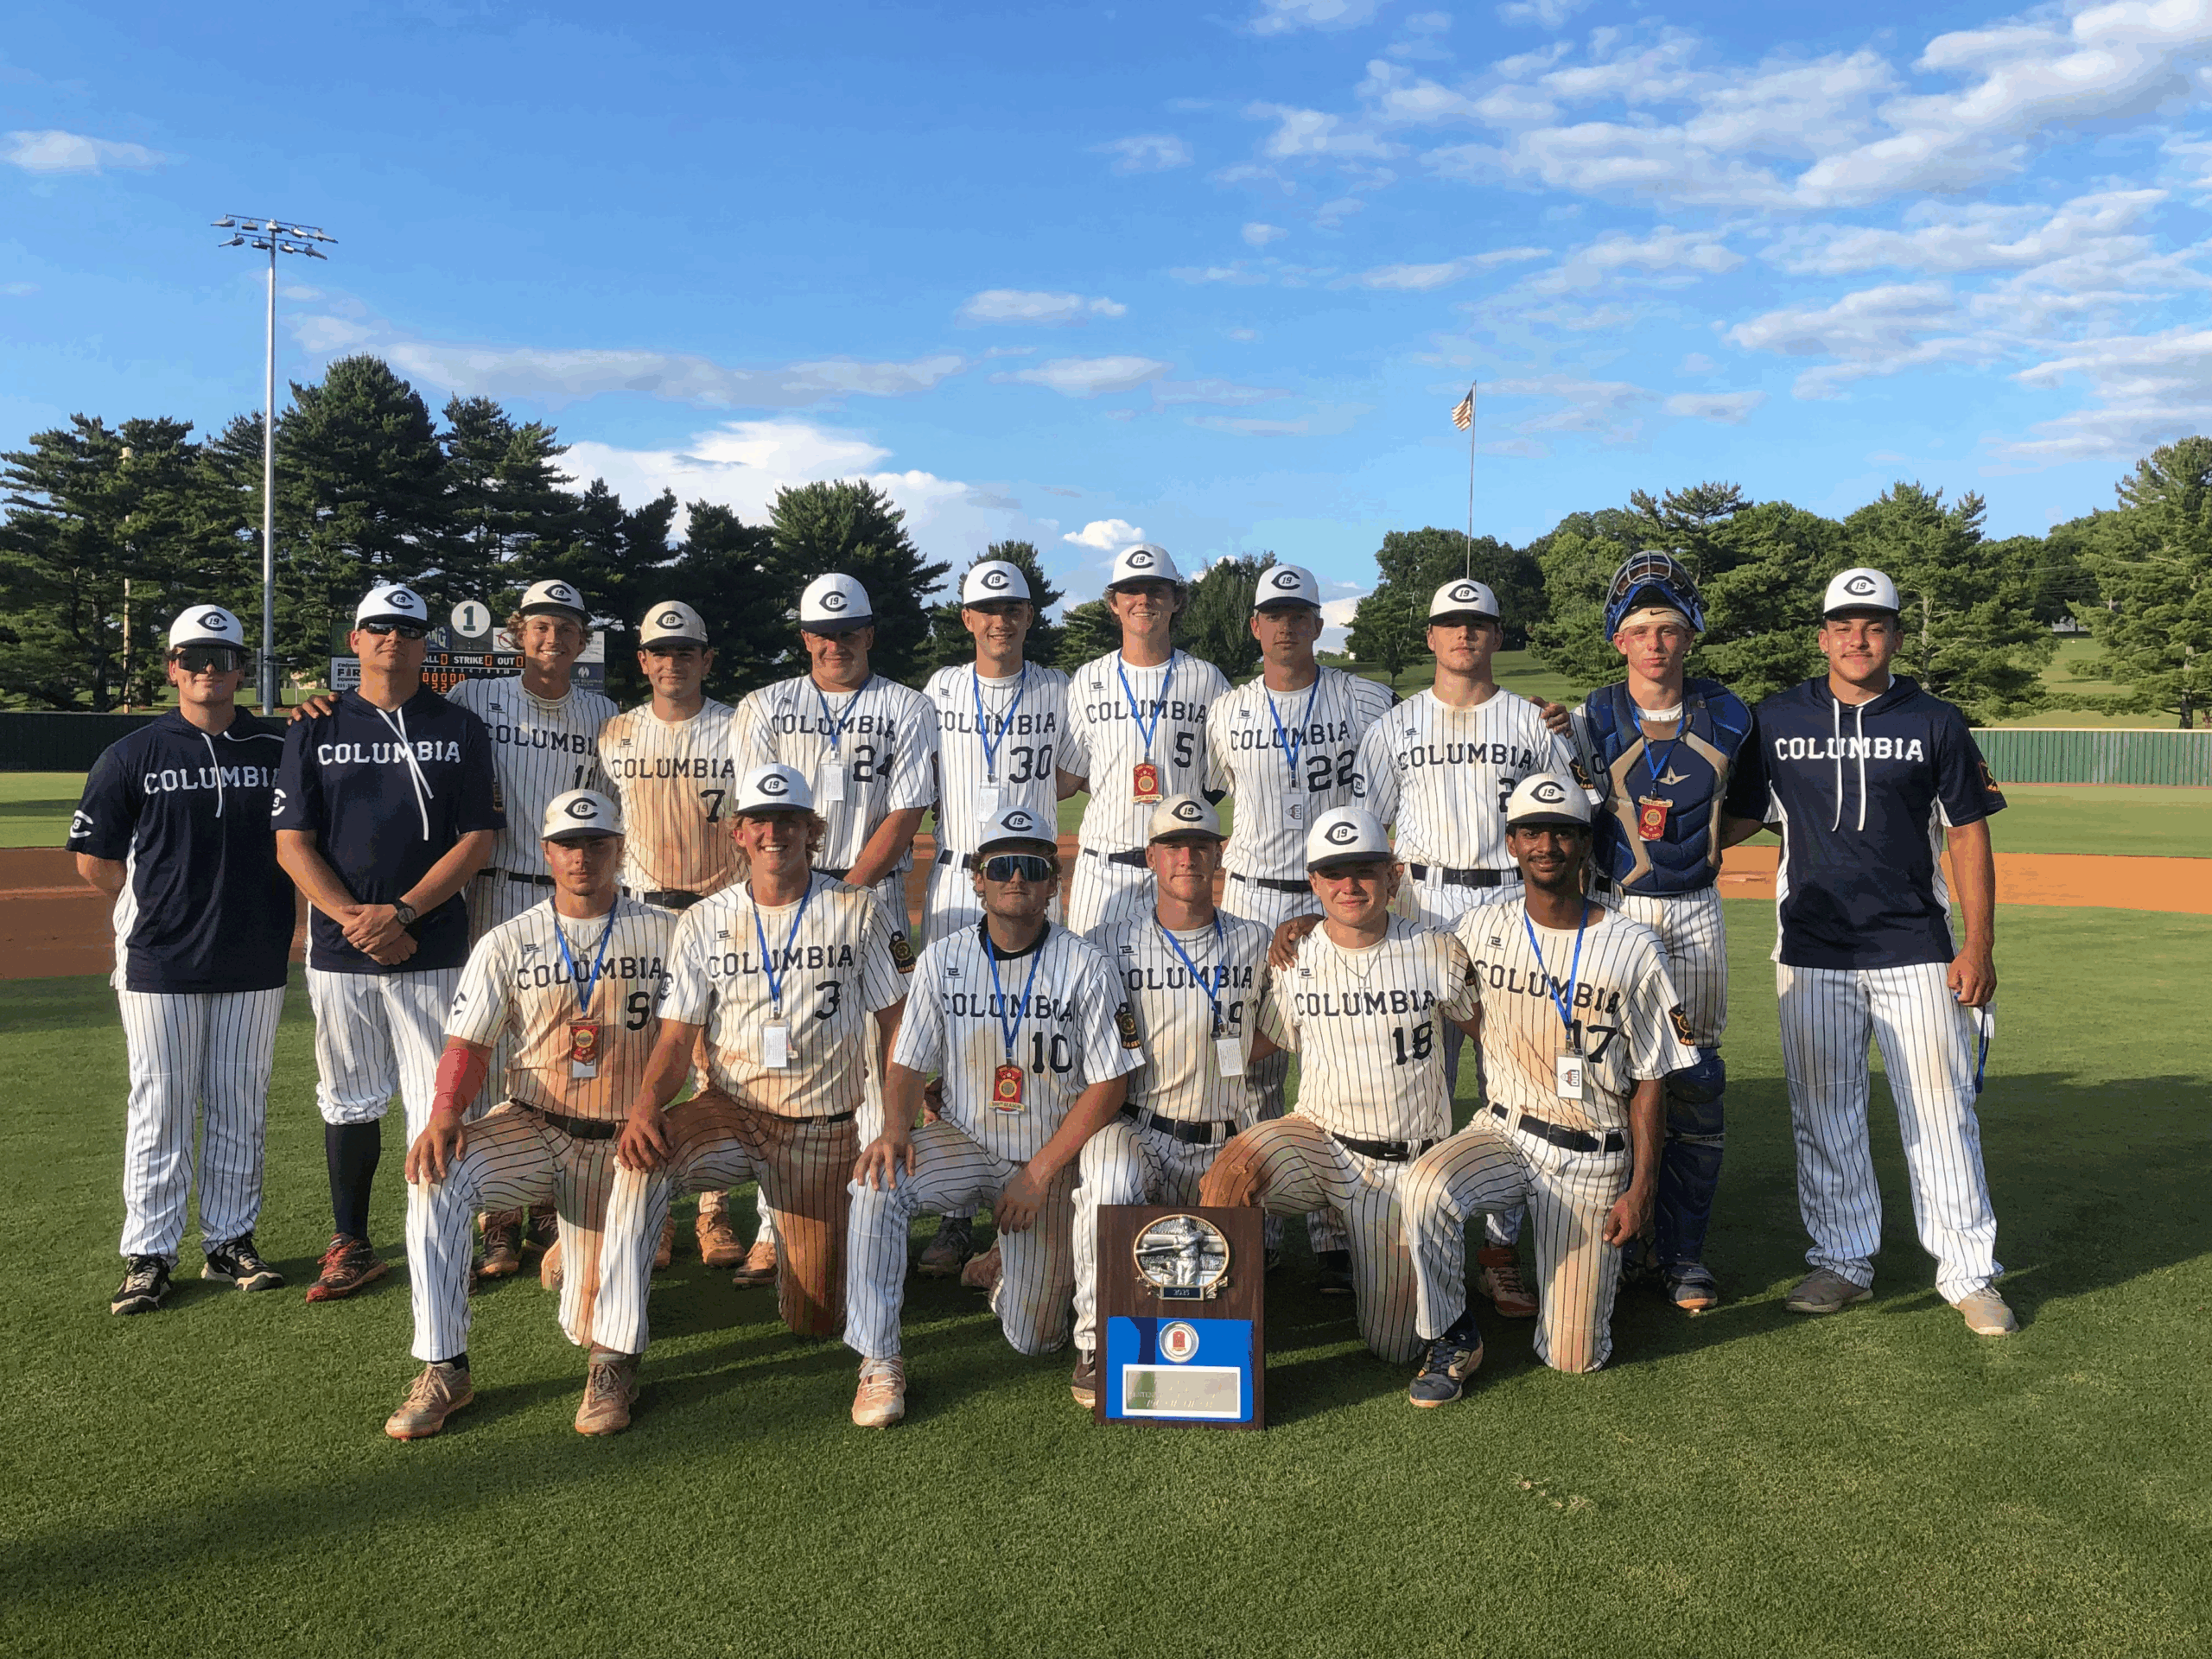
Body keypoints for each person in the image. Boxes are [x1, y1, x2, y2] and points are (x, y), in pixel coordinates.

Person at [297, 577, 616, 1278]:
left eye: (566, 626)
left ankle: (557, 1205)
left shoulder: (606, 714)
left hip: (574, 893)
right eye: (538, 624)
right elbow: (374, 714)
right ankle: (498, 1217)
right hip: (492, 893)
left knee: (570, 1049)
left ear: (582, 639)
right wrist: (317, 703)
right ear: (515, 634)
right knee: (494, 1052)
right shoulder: (472, 700)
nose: (552, 637)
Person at [1728, 568, 2016, 1337]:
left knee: (1941, 1112)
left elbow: (1968, 831)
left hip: (1915, 945)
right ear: (1822, 637)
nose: (1858, 638)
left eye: (1875, 625)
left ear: (1894, 634)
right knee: (1824, 1114)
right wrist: (1650, 825)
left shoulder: (1936, 721)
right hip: (1812, 947)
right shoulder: (1777, 717)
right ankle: (1843, 1260)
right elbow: (1739, 817)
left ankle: (1968, 1273)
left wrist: (1978, 944)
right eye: (1844, 626)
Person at [382, 789, 674, 1440]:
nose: (582, 857)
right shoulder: (506, 941)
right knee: (437, 1176)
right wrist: (445, 1114)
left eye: (597, 843)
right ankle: (444, 1366)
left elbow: (689, 1036)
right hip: (536, 1123)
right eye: (569, 845)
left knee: (588, 1319)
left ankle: (611, 1362)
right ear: (546, 853)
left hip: (625, 1132)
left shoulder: (665, 933)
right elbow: (468, 1043)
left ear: (620, 849)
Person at [1397, 774, 1697, 1407]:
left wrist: (1641, 1188)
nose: (1547, 845)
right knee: (1425, 1185)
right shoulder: (1482, 927)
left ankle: (1591, 1287)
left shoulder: (1634, 945)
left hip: (1592, 1152)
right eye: (1533, 831)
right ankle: (1453, 1336)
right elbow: (1408, 957)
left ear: (1585, 845)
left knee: (1574, 1358)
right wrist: (1306, 923)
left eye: (1563, 832)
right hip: (1504, 1129)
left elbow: (1651, 1080)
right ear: (1512, 843)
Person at [598, 765, 912, 1369]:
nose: (775, 832)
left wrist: (895, 1122)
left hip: (820, 1127)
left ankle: (803, 1264)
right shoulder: (703, 920)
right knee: (639, 1164)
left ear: (811, 830)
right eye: (760, 820)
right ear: (738, 833)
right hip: (730, 1110)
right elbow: (674, 1038)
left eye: (789, 819)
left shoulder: (858, 910)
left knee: (817, 1318)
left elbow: (900, 1029)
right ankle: (613, 1356)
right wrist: (645, 1108)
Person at [845, 803, 1142, 1428]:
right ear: (976, 879)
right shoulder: (941, 959)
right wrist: (894, 1130)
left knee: (1035, 1339)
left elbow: (1112, 1081)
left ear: (1052, 883)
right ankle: (879, 1360)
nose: (1015, 879)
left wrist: (1038, 1173)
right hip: (966, 1139)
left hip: (1047, 1158)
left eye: (1031, 868)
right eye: (1000, 867)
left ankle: (1007, 1266)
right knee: (874, 1185)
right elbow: (906, 1063)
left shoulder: (1084, 963)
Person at [275, 582, 502, 1303]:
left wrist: (400, 914)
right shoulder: (315, 723)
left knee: (436, 1102)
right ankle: (351, 1241)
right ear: (356, 640)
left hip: (432, 946)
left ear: (426, 643)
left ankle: (443, 1237)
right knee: (348, 1098)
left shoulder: (460, 726)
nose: (392, 640)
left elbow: (478, 840)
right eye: (377, 627)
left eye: (407, 630)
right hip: (343, 953)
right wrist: (356, 922)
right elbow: (291, 845)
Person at [71, 603, 294, 1315]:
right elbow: (94, 861)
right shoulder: (133, 753)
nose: (208, 670)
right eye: (194, 658)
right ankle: (149, 1253)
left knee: (239, 1104)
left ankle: (229, 1241)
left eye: (222, 658)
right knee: (160, 1105)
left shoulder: (275, 745)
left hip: (254, 956)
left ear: (240, 669)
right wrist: (154, 901)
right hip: (158, 960)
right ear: (172, 668)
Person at [1198, 805, 1479, 1366]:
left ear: (1392, 874)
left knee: (1395, 1346)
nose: (1349, 884)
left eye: (1364, 870)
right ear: (1314, 883)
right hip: (1317, 1142)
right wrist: (1181, 1057)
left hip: (1401, 1169)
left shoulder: (1436, 949)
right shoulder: (1295, 956)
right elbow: (1269, 1039)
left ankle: (1433, 1295)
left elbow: (1491, 1034)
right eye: (1334, 872)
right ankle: (1213, 1347)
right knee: (1232, 1174)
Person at [1565, 551, 1764, 1314]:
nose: (1655, 643)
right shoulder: (1591, 716)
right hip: (1619, 908)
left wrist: (1702, 847)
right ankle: (1612, 1238)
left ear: (1691, 637)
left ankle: (1682, 1254)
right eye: (1641, 629)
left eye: (1669, 629)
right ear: (1619, 639)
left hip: (1695, 912)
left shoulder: (1731, 714)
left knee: (1696, 1077)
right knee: (1612, 1074)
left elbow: (1750, 807)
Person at [728, 573, 932, 1285]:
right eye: (823, 633)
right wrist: (806, 896)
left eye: (849, 632)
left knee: (883, 1056)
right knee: (781, 1057)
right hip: (781, 899)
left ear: (869, 633)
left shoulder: (907, 706)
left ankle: (874, 1211)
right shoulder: (765, 704)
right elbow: (760, 810)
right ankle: (770, 1225)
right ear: (806, 637)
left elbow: (904, 813)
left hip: (867, 898)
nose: (835, 644)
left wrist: (843, 893)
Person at [1205, 561, 1396, 1279]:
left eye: (1299, 614)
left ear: (1319, 624)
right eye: (1272, 615)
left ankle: (1332, 1225)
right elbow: (1208, 792)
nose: (1285, 626)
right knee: (1252, 1063)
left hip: (1333, 892)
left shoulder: (1364, 699)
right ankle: (1259, 1218)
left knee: (1333, 1057)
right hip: (1251, 895)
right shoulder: (1228, 710)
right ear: (1255, 626)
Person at [1067, 795, 1270, 1408]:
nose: (1187, 856)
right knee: (1107, 1174)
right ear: (1152, 858)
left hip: (1228, 1136)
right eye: (1174, 846)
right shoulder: (1107, 941)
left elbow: (1288, 1025)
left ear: (1219, 855)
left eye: (1200, 845)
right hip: (1142, 1128)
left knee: (1215, 1307)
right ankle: (1095, 1338)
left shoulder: (1258, 942)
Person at [913, 558, 1078, 1279]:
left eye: (1014, 606)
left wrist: (1029, 811)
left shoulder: (1058, 689)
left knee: (1035, 1033)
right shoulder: (941, 688)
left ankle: (1028, 1186)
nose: (1001, 618)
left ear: (1029, 616)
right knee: (955, 1041)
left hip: (1031, 879)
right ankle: (957, 1210)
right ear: (967, 618)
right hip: (956, 875)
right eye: (987, 607)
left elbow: (1077, 771)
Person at [597, 598, 741, 1268]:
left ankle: (713, 1210)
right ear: (644, 660)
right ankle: (650, 1211)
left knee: (718, 1066)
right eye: (662, 651)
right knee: (641, 1065)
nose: (673, 661)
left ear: (706, 659)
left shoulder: (741, 729)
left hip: (719, 910)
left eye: (687, 651)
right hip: (642, 914)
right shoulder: (616, 733)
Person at [1059, 543, 1230, 935]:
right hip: (1103, 870)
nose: (1143, 600)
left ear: (1176, 600)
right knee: (1092, 986)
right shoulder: (1087, 680)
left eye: (1156, 590)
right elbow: (1069, 777)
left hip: (1176, 871)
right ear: (1113, 603)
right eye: (1131, 591)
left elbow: (1220, 779)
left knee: (1177, 989)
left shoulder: (1206, 679)